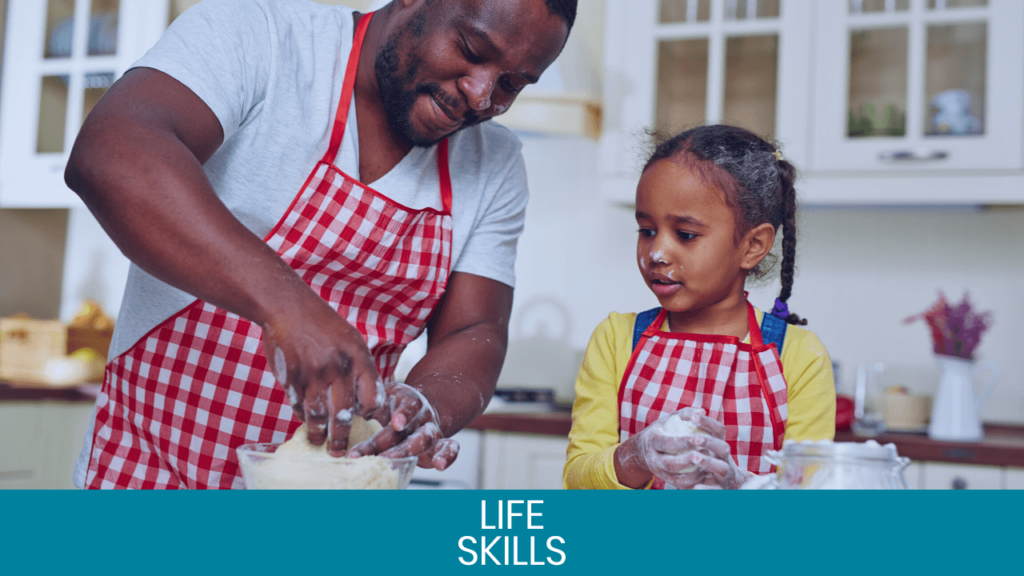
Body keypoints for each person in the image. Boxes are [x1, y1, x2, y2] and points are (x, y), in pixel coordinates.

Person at [64, 0, 576, 489]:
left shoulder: (495, 164)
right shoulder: (261, 37)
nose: (481, 95)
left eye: (511, 84)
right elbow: (110, 153)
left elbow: (474, 327)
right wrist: (291, 309)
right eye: (470, 48)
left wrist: (424, 404)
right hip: (146, 481)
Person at [563, 125, 836, 490]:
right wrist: (638, 455)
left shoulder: (799, 357)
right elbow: (578, 480)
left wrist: (739, 485)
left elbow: (809, 499)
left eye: (686, 235)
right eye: (646, 230)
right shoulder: (616, 340)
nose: (656, 253)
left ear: (753, 246)